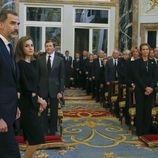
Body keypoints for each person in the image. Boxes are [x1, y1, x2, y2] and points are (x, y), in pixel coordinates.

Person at [15, 36, 47, 158]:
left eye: (32, 45)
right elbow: (25, 88)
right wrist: (39, 100)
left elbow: (37, 85)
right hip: (26, 104)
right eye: (26, 46)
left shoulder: (35, 63)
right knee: (37, 140)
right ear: (21, 48)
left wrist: (40, 100)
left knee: (31, 139)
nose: (30, 48)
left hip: (34, 102)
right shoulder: (20, 64)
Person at [0, 10, 21, 158]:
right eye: (12, 23)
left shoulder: (8, 47)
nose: (16, 27)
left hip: (9, 111)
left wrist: (16, 105)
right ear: (1, 24)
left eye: (18, 24)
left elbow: (8, 82)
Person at [38, 39, 65, 135]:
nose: (48, 47)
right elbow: (38, 76)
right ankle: (44, 131)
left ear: (54, 47)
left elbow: (62, 77)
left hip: (55, 90)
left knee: (54, 112)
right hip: (42, 89)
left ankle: (53, 131)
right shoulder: (40, 59)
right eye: (47, 46)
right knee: (43, 111)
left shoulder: (60, 60)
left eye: (50, 46)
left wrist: (60, 91)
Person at [133, 43, 156, 136]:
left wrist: (151, 87)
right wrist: (145, 87)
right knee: (140, 110)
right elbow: (137, 77)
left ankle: (147, 131)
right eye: (143, 49)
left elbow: (155, 77)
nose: (145, 51)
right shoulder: (137, 62)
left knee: (148, 110)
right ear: (140, 51)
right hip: (140, 90)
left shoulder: (153, 62)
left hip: (150, 91)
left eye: (147, 49)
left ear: (149, 50)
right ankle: (139, 131)